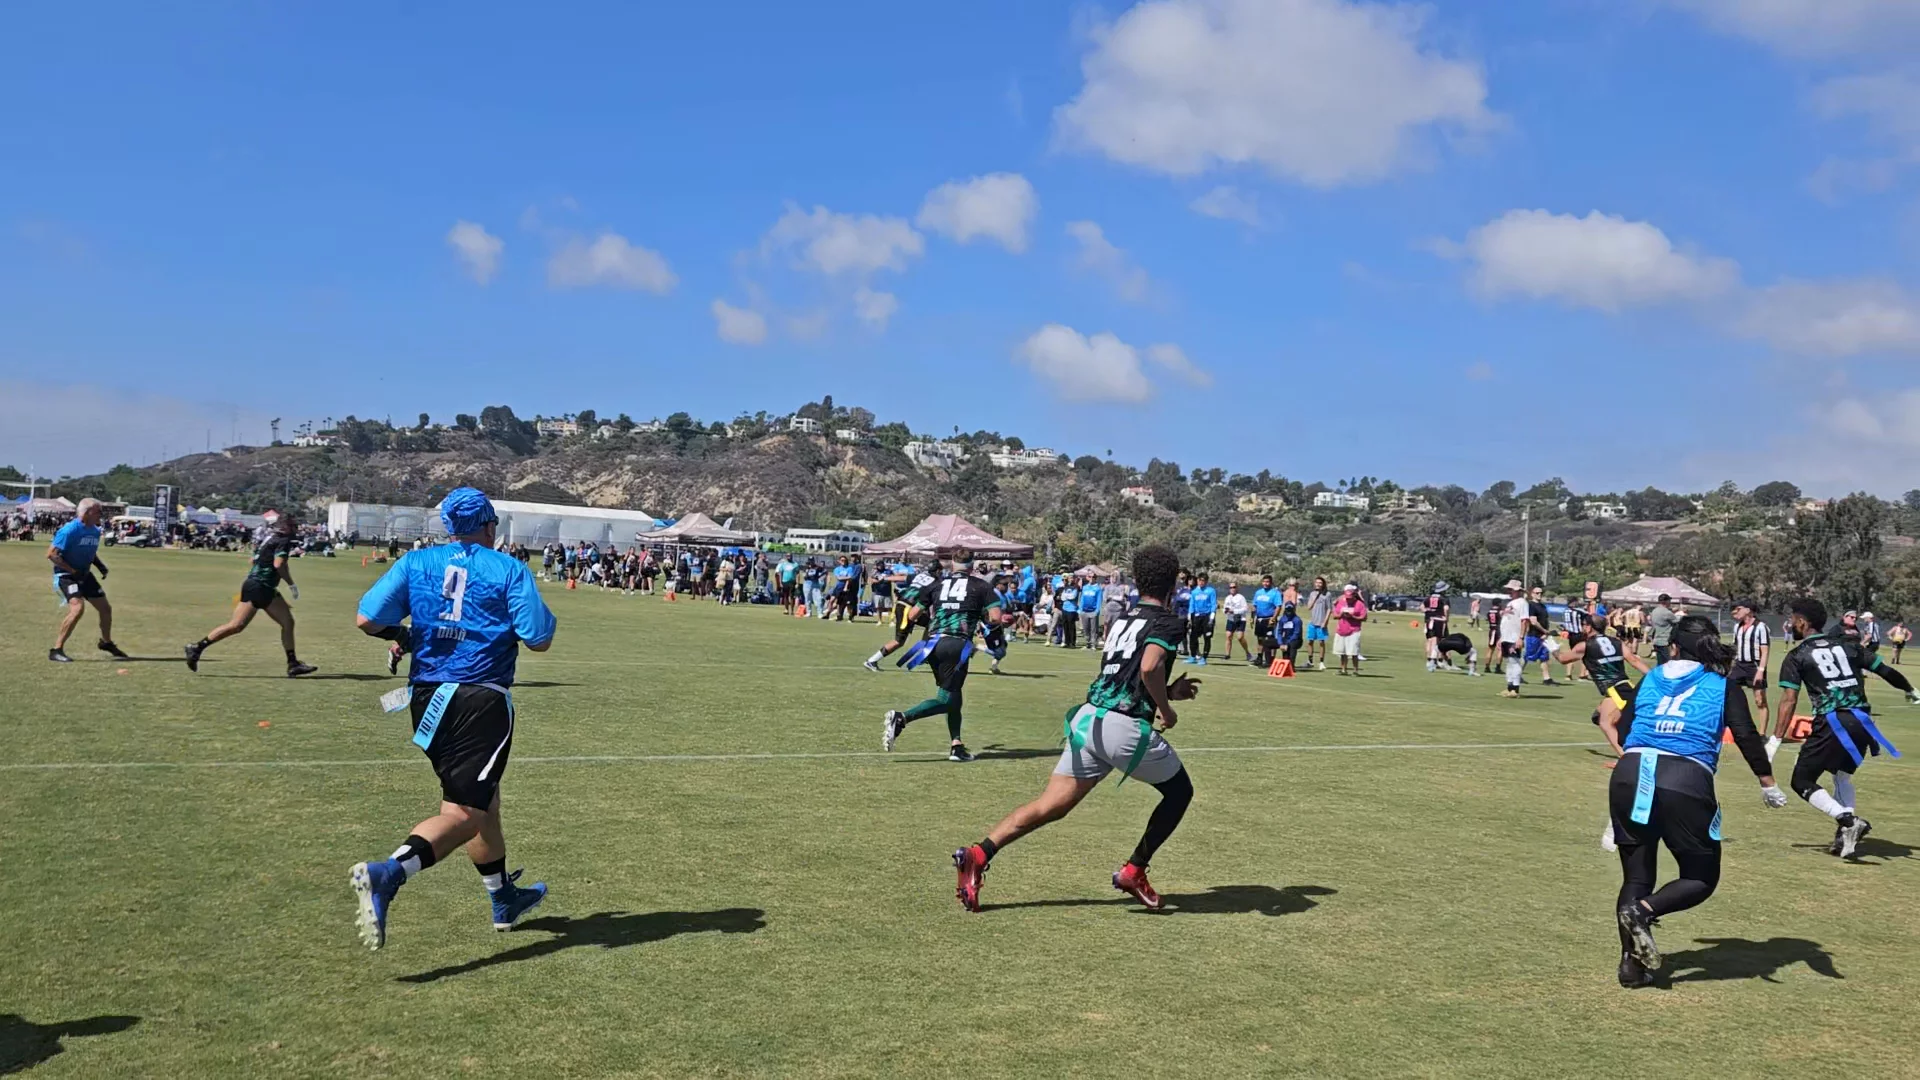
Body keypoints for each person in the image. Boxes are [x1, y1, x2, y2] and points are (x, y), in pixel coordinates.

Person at [346, 488, 558, 951]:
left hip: (426, 699)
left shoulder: (416, 562)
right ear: (489, 525)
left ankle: (503, 898)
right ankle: (389, 873)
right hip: (479, 699)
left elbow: (367, 619)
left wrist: (408, 634)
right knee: (464, 813)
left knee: (483, 802)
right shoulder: (507, 568)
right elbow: (538, 638)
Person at [951, 545, 1201, 912]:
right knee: (1180, 793)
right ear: (1174, 583)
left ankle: (979, 853)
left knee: (1051, 805)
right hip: (1123, 727)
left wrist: (1168, 691)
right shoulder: (1168, 621)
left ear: (1137, 580)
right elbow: (1149, 667)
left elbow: (1127, 673)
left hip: (1089, 719)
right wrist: (1166, 709)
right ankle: (1134, 871)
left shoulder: (1124, 618)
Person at [1597, 614, 1786, 987]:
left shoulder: (1651, 677)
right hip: (1683, 778)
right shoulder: (1723, 685)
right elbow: (1746, 735)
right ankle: (1643, 912)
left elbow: (1623, 725)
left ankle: (1631, 967)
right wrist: (1767, 782)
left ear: (1673, 647)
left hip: (1630, 774)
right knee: (1700, 877)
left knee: (1637, 876)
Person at [1771, 598, 1917, 859]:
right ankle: (1845, 837)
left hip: (1832, 722)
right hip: (1862, 721)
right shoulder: (1848, 646)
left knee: (1801, 780)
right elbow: (1885, 670)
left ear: (1802, 622)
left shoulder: (1797, 655)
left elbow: (1789, 700)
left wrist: (1775, 739)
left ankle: (1848, 821)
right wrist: (1910, 689)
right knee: (1841, 776)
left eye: (1792, 619)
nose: (1790, 624)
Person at [882, 547, 1009, 762]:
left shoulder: (937, 584)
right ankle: (902, 718)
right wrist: (982, 620)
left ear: (952, 562)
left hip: (932, 643)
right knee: (946, 700)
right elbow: (996, 617)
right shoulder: (981, 586)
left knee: (953, 695)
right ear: (972, 565)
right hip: (957, 644)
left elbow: (912, 614)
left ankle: (956, 746)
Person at [184, 510, 315, 677]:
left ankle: (197, 648)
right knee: (285, 623)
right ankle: (292, 663)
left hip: (254, 584)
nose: (295, 528)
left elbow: (253, 560)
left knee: (237, 625)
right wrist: (291, 584)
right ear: (286, 526)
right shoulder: (283, 540)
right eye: (293, 525)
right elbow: (279, 564)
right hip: (262, 586)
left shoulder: (269, 538)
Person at [47, 499, 127, 663]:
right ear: (87, 513)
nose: (101, 515)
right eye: (98, 511)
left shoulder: (95, 531)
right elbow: (52, 555)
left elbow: (90, 551)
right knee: (77, 609)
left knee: (105, 609)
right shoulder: (69, 530)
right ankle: (56, 650)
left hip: (84, 574)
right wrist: (72, 571)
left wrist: (100, 566)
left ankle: (106, 642)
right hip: (66, 575)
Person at [1729, 600, 1771, 718]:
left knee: (1760, 700)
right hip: (1739, 665)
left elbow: (1765, 651)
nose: (1734, 612)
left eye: (1738, 609)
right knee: (1729, 694)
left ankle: (1762, 730)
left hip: (1754, 666)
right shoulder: (1737, 627)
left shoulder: (1761, 627)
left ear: (1748, 610)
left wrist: (1761, 671)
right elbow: (1735, 647)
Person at [1497, 580, 1528, 697]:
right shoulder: (1510, 603)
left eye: (1511, 590)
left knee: (1514, 662)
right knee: (1509, 662)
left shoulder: (1522, 603)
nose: (1509, 591)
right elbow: (1506, 621)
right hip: (1506, 637)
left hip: (1514, 638)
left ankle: (1515, 688)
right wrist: (1501, 638)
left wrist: (1521, 637)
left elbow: (1524, 620)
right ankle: (1509, 687)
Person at [1330, 584, 1368, 675]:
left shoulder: (1359, 604)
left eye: (1350, 597)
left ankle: (1355, 670)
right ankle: (1343, 669)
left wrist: (1353, 616)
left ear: (1354, 595)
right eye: (1347, 597)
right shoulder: (1341, 602)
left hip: (1354, 630)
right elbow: (1335, 615)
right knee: (1342, 652)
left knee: (1354, 652)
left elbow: (1364, 617)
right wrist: (1341, 615)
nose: (1348, 599)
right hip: (1341, 630)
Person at [1524, 586, 1558, 685]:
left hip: (1543, 636)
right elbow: (1533, 621)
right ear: (1532, 594)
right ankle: (1517, 675)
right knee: (1527, 656)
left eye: (1541, 593)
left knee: (1544, 657)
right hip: (1534, 635)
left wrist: (1546, 632)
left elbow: (1545, 620)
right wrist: (1544, 631)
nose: (1539, 594)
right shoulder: (1531, 605)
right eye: (1537, 593)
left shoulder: (1542, 606)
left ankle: (1547, 679)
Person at [1185, 572, 1217, 665]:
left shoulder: (1211, 591)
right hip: (1196, 616)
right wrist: (1189, 616)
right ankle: (1193, 656)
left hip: (1207, 616)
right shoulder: (1194, 592)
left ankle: (1204, 658)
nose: (1201, 582)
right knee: (1193, 636)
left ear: (1206, 581)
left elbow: (1213, 604)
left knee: (1207, 637)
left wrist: (1212, 617)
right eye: (1200, 580)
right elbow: (1192, 604)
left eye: (1203, 580)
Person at [1250, 575, 1283, 668]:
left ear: (1271, 583)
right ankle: (1259, 658)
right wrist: (1252, 617)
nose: (1266, 583)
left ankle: (1271, 659)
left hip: (1269, 619)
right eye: (1264, 581)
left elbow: (1278, 606)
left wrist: (1274, 618)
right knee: (1260, 639)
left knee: (1270, 640)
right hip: (1259, 619)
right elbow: (1254, 605)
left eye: (1267, 582)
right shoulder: (1258, 592)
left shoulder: (1275, 593)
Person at [1302, 576, 1332, 671]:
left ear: (1323, 584)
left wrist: (1325, 621)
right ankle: (1310, 661)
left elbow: (1329, 609)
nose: (1318, 584)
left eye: (1320, 583)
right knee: (1310, 641)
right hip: (1313, 622)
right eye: (1316, 582)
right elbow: (1309, 607)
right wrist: (1314, 598)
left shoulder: (1327, 594)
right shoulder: (1312, 594)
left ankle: (1321, 662)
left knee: (1321, 642)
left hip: (1321, 622)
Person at [1422, 581, 1451, 672]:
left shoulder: (1429, 597)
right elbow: (1446, 608)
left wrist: (1429, 612)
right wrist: (1446, 617)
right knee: (1437, 641)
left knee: (1429, 640)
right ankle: (1434, 660)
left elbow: (1422, 607)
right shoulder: (1443, 598)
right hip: (1439, 621)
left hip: (1429, 620)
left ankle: (1429, 660)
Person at [1220, 583, 1252, 663]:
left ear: (1237, 588)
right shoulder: (1227, 598)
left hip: (1240, 619)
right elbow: (1224, 608)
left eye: (1234, 587)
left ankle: (1248, 653)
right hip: (1230, 619)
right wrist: (1225, 611)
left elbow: (1245, 609)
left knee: (1240, 637)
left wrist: (1234, 611)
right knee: (1228, 636)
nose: (1232, 589)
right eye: (1230, 587)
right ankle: (1227, 654)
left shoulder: (1241, 597)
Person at [1646, 595, 1677, 664]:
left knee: (1660, 663)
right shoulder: (1666, 612)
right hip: (1665, 641)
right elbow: (1677, 622)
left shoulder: (1654, 611)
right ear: (1666, 601)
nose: (1670, 602)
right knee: (1669, 663)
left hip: (1656, 640)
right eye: (1669, 601)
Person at [1077, 574, 1104, 650]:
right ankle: (1087, 643)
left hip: (1093, 611)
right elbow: (1082, 599)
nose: (1091, 578)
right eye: (1090, 577)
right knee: (1086, 629)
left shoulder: (1098, 588)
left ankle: (1093, 644)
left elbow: (1099, 600)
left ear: (1095, 578)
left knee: (1093, 629)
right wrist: (1080, 609)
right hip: (1084, 611)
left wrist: (1097, 611)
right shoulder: (1085, 587)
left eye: (1093, 577)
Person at [1056, 576, 1080, 649]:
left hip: (1072, 609)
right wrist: (1067, 596)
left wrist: (1066, 596)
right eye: (1069, 578)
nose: (1070, 579)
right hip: (1064, 608)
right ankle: (1067, 642)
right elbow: (1062, 598)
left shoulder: (1075, 587)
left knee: (1071, 626)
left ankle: (1072, 643)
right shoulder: (1065, 587)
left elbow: (1073, 596)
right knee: (1065, 626)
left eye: (1072, 578)